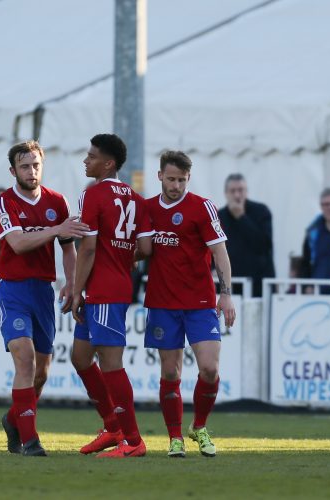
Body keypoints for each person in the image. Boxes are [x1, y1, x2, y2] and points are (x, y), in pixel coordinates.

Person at [0, 140, 88, 457]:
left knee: (42, 373)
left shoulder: (56, 202)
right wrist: (56, 228)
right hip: (12, 288)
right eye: (24, 166)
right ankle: (30, 441)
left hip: (42, 291)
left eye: (35, 165)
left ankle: (12, 419)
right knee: (25, 358)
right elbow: (18, 243)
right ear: (12, 170)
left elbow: (68, 247)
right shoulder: (4, 202)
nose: (31, 171)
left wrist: (73, 283)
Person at [144, 150, 236, 458]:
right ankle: (174, 437)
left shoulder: (201, 207)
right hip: (162, 303)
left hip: (199, 302)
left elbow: (220, 252)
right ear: (159, 176)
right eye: (170, 179)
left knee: (209, 368)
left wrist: (226, 293)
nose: (176, 186)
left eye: (181, 180)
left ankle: (198, 426)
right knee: (170, 373)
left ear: (188, 179)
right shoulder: (146, 210)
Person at [66, 134, 153, 458]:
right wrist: (122, 255)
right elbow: (145, 248)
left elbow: (87, 248)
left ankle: (133, 440)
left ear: (109, 163)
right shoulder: (136, 198)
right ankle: (112, 426)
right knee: (80, 357)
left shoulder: (93, 195)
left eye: (91, 156)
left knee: (111, 364)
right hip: (110, 286)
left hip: (103, 291)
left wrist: (76, 291)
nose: (85, 161)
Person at [218, 173, 274, 297]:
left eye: (241, 190)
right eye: (233, 191)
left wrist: (241, 217)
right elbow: (212, 248)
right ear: (226, 193)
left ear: (246, 191)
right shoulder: (219, 217)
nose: (237, 195)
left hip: (258, 286)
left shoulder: (261, 211)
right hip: (229, 286)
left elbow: (264, 245)